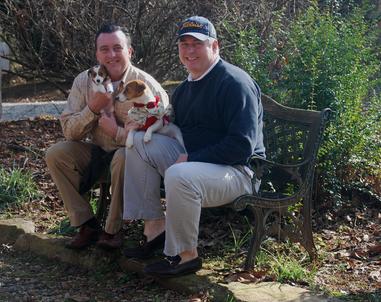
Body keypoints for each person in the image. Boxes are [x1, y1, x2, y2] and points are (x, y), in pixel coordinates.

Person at [122, 16, 265, 277]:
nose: (189, 51)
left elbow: (242, 146)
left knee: (179, 173)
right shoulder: (186, 87)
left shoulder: (235, 84)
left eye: (197, 44)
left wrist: (190, 159)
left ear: (215, 46)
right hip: (198, 165)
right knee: (137, 147)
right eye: (183, 44)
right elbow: (174, 129)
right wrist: (140, 125)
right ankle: (155, 228)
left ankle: (185, 256)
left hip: (238, 172)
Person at [45, 23, 168, 250]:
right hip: (97, 153)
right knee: (56, 154)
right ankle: (87, 224)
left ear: (129, 51)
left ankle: (113, 230)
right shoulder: (84, 81)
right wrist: (92, 108)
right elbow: (69, 132)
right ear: (97, 53)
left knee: (123, 156)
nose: (111, 55)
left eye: (117, 48)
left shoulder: (146, 87)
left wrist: (117, 132)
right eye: (104, 49)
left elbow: (156, 139)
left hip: (133, 159)